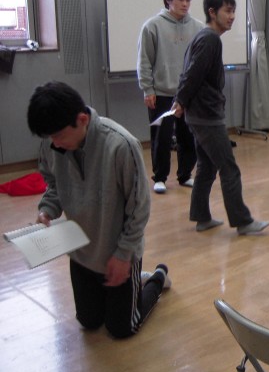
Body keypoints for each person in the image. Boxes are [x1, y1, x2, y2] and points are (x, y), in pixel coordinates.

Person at [27, 81, 171, 339]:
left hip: (118, 252)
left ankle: (157, 277)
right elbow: (54, 185)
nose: (54, 143)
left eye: (58, 136)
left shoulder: (121, 145)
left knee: (123, 328)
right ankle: (131, 285)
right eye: (49, 138)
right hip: (82, 253)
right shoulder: (53, 143)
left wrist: (124, 255)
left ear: (82, 120)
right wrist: (46, 210)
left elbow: (139, 208)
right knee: (89, 321)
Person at [172, 0, 269, 235]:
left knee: (207, 167)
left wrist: (182, 101)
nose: (232, 16)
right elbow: (192, 74)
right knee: (229, 168)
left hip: (200, 114)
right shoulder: (210, 39)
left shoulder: (204, 37)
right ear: (212, 12)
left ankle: (201, 217)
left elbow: (191, 73)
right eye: (227, 11)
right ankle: (243, 222)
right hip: (206, 116)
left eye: (233, 11)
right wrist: (180, 100)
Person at [137, 0, 204, 194]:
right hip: (161, 92)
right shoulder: (152, 26)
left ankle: (185, 175)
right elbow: (144, 60)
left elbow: (200, 62)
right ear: (168, 1)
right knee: (161, 137)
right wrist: (148, 89)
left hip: (187, 93)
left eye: (188, 0)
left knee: (188, 136)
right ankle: (160, 177)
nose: (185, 4)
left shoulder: (198, 28)